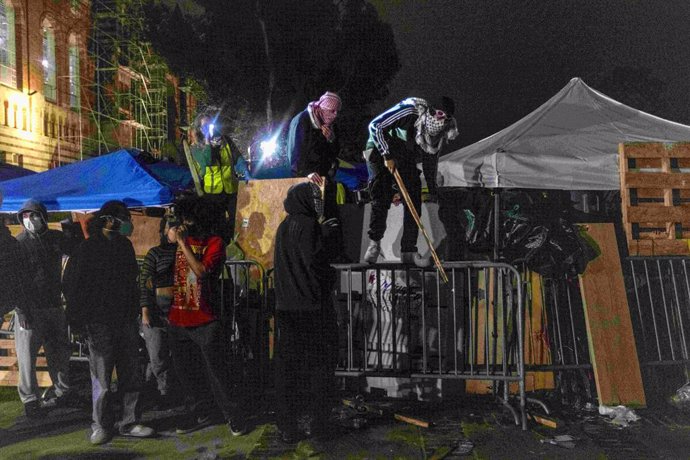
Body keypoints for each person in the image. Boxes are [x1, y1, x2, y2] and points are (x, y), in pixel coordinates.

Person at [63, 200, 155, 445]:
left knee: (131, 375)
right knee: (102, 380)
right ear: (109, 220)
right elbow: (72, 286)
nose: (128, 223)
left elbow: (131, 282)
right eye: (124, 218)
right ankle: (101, 425)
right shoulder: (87, 249)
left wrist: (135, 312)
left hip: (124, 319)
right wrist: (78, 322)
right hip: (99, 322)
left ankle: (129, 421)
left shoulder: (124, 246)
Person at [167, 195, 247, 437]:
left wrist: (182, 243)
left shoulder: (215, 243)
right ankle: (200, 412)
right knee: (188, 375)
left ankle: (234, 416)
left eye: (189, 218)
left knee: (218, 373)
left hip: (205, 319)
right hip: (179, 318)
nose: (185, 222)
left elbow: (201, 272)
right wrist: (175, 234)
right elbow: (169, 235)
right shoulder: (183, 236)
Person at [273, 182, 339, 443]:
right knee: (320, 367)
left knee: (288, 371)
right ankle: (319, 424)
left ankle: (287, 425)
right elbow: (315, 264)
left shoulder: (283, 227)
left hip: (287, 308)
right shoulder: (309, 226)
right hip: (311, 309)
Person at [363, 96, 458, 266]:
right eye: (439, 114)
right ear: (430, 111)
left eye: (446, 118)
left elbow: (430, 161)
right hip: (379, 146)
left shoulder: (438, 134)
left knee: (414, 194)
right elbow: (375, 126)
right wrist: (386, 155)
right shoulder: (410, 112)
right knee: (381, 193)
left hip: (402, 153)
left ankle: (408, 250)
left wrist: (432, 188)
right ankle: (374, 243)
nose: (441, 120)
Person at [13, 199, 75, 417]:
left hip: (53, 305)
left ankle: (63, 392)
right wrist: (21, 311)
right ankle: (30, 400)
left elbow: (76, 247)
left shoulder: (55, 239)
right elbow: (15, 280)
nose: (31, 219)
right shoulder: (18, 243)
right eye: (26, 216)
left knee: (58, 352)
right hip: (29, 310)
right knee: (26, 358)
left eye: (34, 215)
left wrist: (70, 225)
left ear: (43, 216)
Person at [139, 214, 178, 409]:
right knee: (157, 355)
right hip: (157, 311)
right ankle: (162, 391)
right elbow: (145, 282)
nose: (177, 231)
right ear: (164, 230)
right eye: (173, 227)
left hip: (177, 313)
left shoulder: (185, 251)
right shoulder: (154, 253)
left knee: (171, 354)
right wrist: (145, 311)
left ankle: (163, 390)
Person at [286, 91, 342, 221]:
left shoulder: (331, 126)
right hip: (305, 179)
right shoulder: (302, 121)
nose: (335, 115)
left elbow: (334, 153)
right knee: (311, 218)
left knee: (329, 218)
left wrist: (331, 140)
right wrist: (306, 173)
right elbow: (294, 152)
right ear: (321, 109)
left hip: (325, 179)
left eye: (337, 111)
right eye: (332, 111)